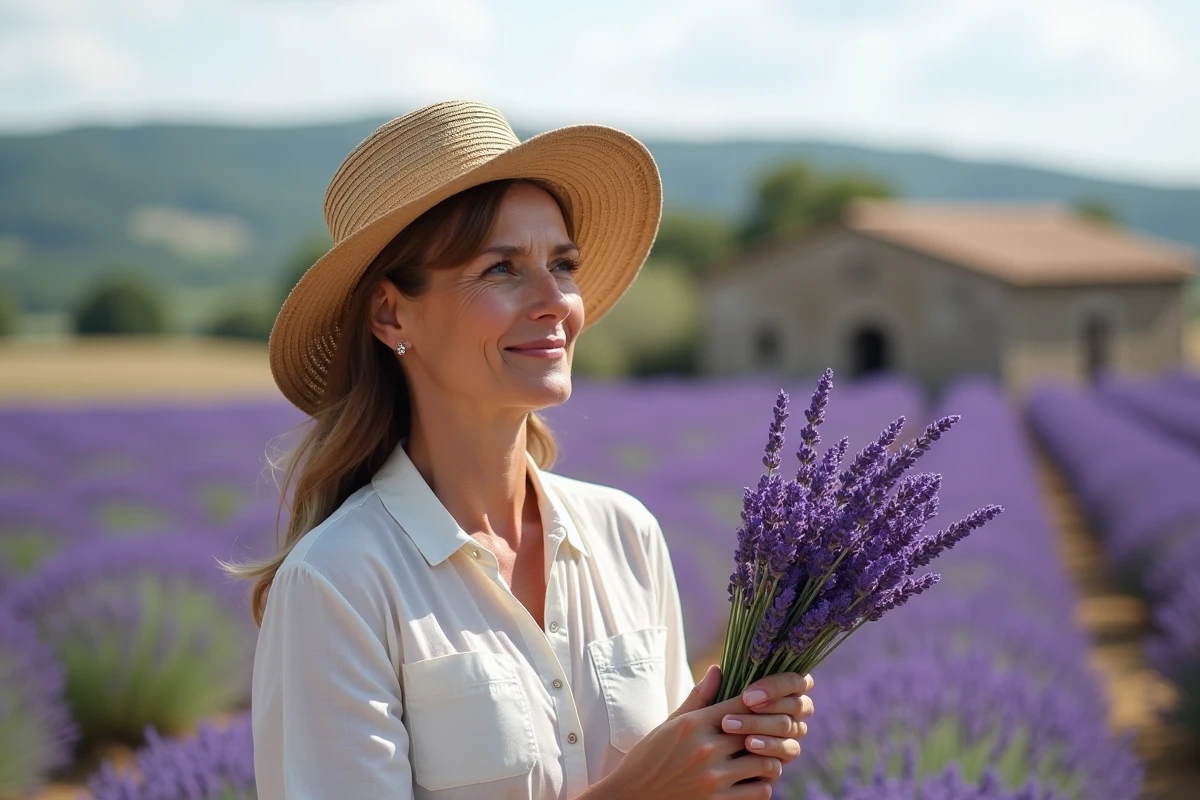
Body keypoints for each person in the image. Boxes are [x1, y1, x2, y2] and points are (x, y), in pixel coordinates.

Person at [226, 100, 815, 800]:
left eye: (562, 264)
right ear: (391, 314)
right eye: (502, 269)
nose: (554, 301)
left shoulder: (627, 536)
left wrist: (731, 757)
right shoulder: (337, 584)